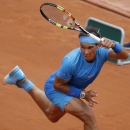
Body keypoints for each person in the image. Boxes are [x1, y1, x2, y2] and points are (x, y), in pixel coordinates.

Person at [3, 26, 129, 130]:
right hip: (57, 88)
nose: (86, 52)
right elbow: (58, 85)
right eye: (82, 47)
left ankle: (22, 81)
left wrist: (114, 45)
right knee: (88, 116)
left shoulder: (102, 53)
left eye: (90, 47)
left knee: (51, 115)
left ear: (98, 46)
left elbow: (124, 55)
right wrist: (83, 95)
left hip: (71, 88)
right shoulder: (71, 61)